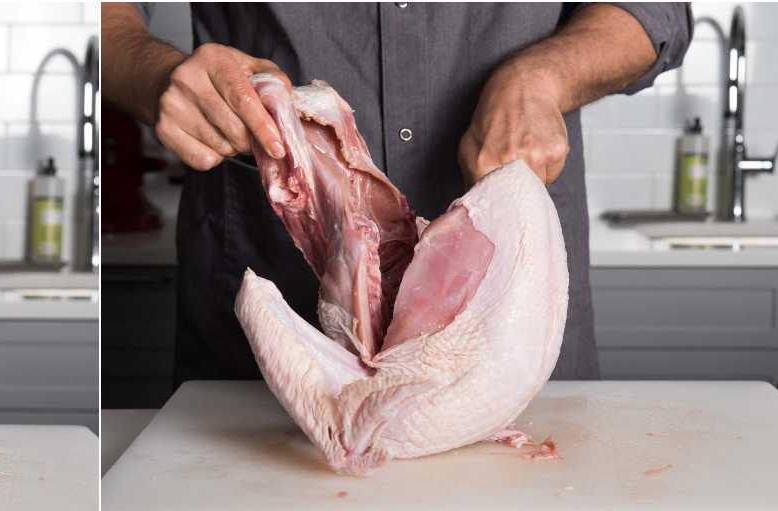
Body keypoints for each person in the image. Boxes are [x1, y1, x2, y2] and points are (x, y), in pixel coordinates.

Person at [100, 2, 691, 384]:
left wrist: (542, 76)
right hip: (271, 323)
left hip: (511, 311)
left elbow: (654, 11)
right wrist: (157, 76)